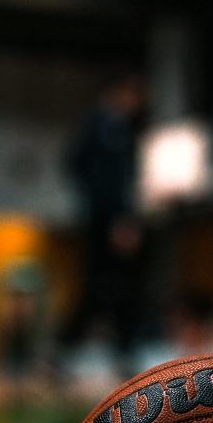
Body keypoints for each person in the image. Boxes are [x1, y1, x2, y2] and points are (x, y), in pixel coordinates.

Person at [64, 71, 147, 372]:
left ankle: (121, 351)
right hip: (104, 222)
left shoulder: (123, 129)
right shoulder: (101, 126)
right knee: (102, 286)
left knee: (116, 287)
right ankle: (68, 350)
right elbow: (86, 169)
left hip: (112, 220)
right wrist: (116, 219)